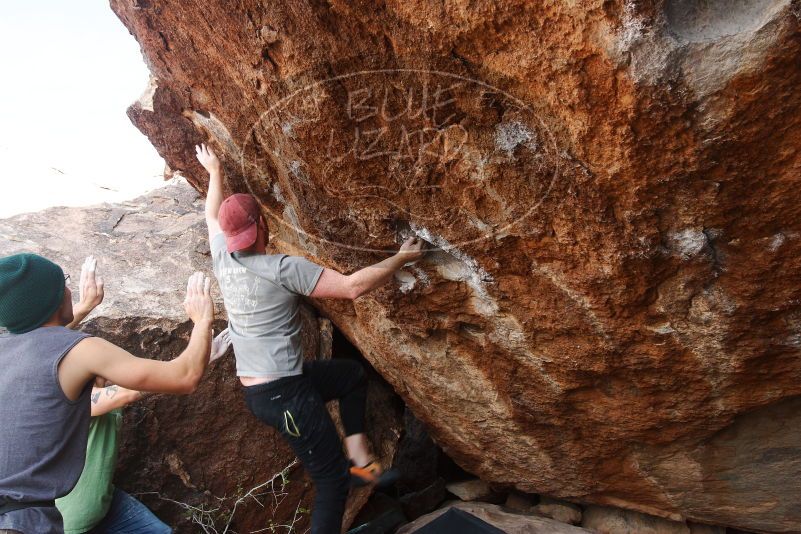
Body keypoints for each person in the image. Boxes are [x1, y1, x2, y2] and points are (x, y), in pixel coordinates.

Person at [195, 143, 424, 534]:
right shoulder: (283, 268)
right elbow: (352, 288)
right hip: (285, 396)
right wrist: (400, 258)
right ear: (263, 225)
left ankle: (359, 462)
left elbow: (211, 217)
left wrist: (214, 172)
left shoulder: (223, 257)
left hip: (269, 390)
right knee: (331, 485)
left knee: (349, 376)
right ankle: (349, 472)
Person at [0, 251, 215, 534]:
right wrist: (202, 320)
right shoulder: (82, 350)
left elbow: (38, 343)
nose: (69, 290)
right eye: (63, 283)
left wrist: (84, 307)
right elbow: (185, 377)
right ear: (52, 298)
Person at [54, 259, 232, 534]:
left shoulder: (60, 373)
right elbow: (133, 391)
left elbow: (37, 343)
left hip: (104, 504)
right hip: (72, 525)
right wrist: (201, 336)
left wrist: (84, 306)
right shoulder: (78, 400)